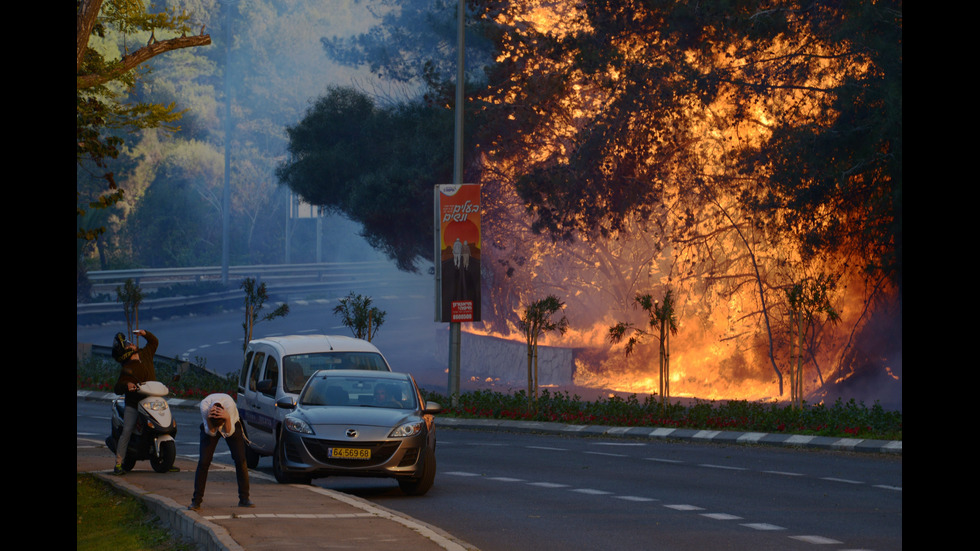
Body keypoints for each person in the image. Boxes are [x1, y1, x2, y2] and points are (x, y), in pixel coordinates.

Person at [188, 393, 254, 510]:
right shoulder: (204, 406)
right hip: (210, 424)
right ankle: (196, 501)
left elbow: (229, 433)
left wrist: (227, 418)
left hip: (231, 422)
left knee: (241, 459)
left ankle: (244, 498)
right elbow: (211, 432)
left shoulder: (230, 405)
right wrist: (210, 419)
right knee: (203, 462)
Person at [111, 329, 159, 475]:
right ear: (125, 351)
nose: (131, 344)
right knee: (127, 430)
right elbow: (117, 388)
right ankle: (119, 464)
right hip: (134, 403)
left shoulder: (146, 353)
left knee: (164, 425)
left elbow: (154, 342)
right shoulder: (127, 368)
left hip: (151, 400)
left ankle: (166, 460)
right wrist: (127, 385)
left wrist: (145, 333)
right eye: (128, 344)